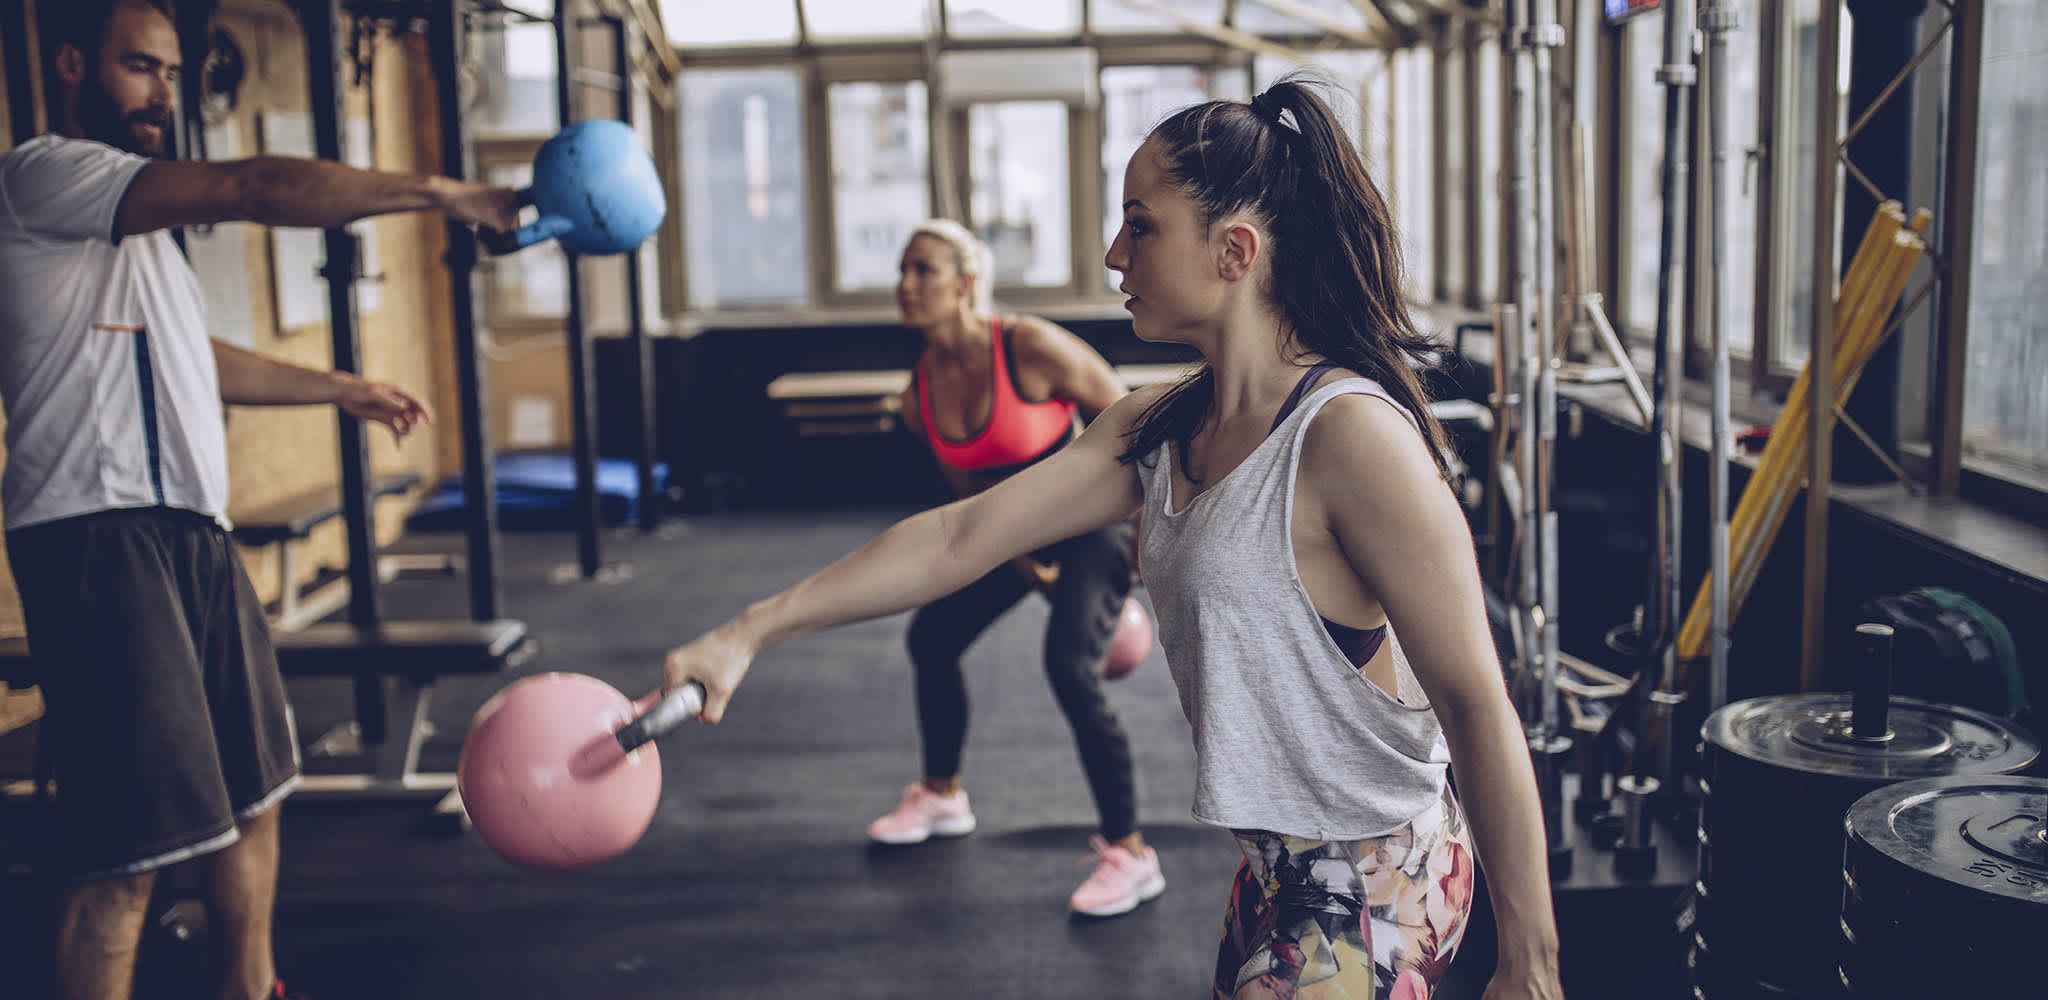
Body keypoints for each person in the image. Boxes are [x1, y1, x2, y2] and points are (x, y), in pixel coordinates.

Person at [661, 80, 1563, 999]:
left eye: (1141, 225)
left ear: (1234, 251)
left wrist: (1530, 962)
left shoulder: (1349, 438)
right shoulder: (1159, 429)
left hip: (1381, 874)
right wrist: (748, 631)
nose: (1112, 254)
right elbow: (958, 537)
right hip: (1269, 870)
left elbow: (1474, 699)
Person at [0, 3, 519, 999]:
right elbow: (255, 184)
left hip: (192, 530)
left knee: (259, 789)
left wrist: (337, 386)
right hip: (98, 536)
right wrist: (439, 191)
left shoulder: (140, 239)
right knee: (131, 850)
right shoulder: (44, 176)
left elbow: (189, 359)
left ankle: (253, 989)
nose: (162, 93)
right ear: (73, 64)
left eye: (171, 73)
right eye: (139, 68)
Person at [865, 219, 1161, 918]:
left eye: (923, 270)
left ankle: (1132, 852)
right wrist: (1024, 564)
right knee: (930, 640)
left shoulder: (1025, 345)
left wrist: (1145, 535)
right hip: (1011, 533)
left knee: (1068, 666)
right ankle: (942, 795)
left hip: (1089, 524)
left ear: (967, 283)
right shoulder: (919, 393)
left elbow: (1127, 418)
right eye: (902, 270)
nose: (906, 286)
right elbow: (970, 497)